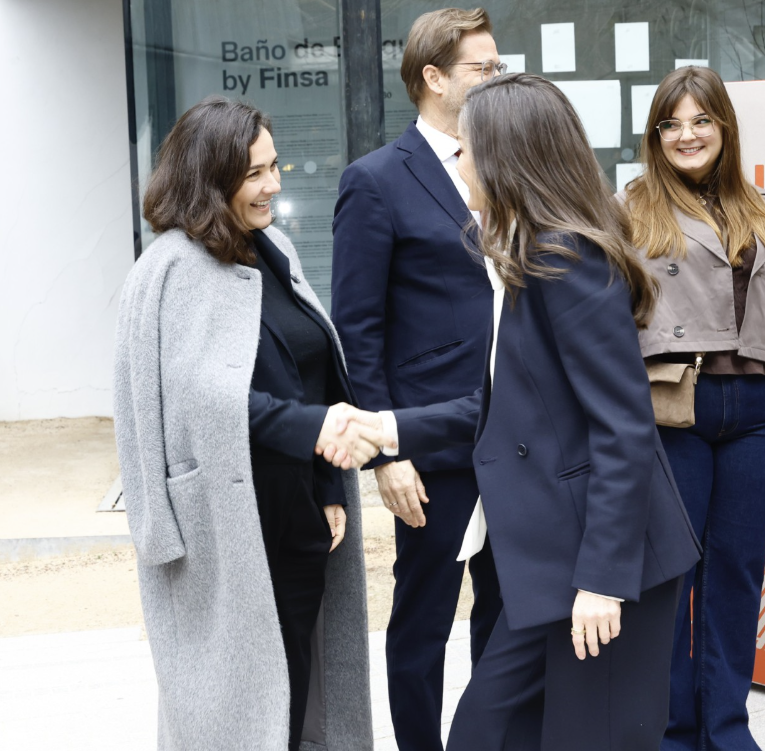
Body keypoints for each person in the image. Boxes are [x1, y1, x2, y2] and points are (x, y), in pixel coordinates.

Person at [373, 73, 702, 750]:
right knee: (487, 734)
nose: (456, 160)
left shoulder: (568, 260)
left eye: (464, 149)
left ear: (505, 159)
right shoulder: (528, 257)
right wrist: (388, 428)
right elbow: (508, 408)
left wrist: (604, 582)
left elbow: (624, 428)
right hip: (552, 566)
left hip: (602, 571)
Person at [112, 96, 388, 751]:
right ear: (211, 178)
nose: (275, 183)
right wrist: (314, 428)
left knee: (290, 696)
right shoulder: (172, 269)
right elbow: (205, 396)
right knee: (237, 714)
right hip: (226, 533)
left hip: (296, 516)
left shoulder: (270, 248)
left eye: (274, 165)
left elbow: (316, 366)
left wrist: (325, 486)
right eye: (256, 172)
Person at [623, 66, 765, 751]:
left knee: (737, 573)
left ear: (724, 127)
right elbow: (604, 325)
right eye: (672, 124)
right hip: (673, 407)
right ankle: (675, 733)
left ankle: (727, 729)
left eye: (701, 120)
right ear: (655, 136)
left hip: (759, 412)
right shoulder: (631, 210)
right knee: (674, 578)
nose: (687, 135)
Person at [331, 10, 505, 748]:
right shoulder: (374, 181)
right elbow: (358, 331)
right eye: (481, 69)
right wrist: (385, 456)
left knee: (507, 615)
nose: (496, 78)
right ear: (433, 78)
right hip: (427, 448)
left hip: (513, 433)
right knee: (424, 621)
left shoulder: (504, 164)